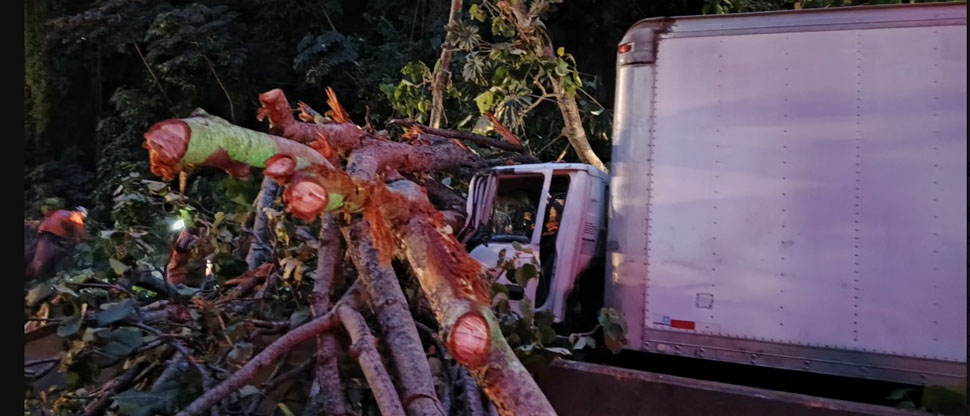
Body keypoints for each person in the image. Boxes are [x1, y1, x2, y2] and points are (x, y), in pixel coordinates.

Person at [25, 206, 88, 281]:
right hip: (52, 235)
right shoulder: (76, 217)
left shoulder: (61, 211)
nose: (83, 219)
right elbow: (81, 233)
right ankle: (28, 278)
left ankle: (45, 275)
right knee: (40, 260)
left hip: (44, 232)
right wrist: (88, 239)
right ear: (80, 213)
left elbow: (47, 216)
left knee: (34, 254)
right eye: (83, 217)